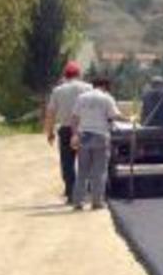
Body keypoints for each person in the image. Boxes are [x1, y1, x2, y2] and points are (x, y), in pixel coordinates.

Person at [70, 78, 129, 210]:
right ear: (105, 87)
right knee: (99, 171)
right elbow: (115, 116)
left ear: (93, 85)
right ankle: (96, 202)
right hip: (100, 137)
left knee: (82, 171)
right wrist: (130, 119)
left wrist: (74, 135)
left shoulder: (81, 97)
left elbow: (74, 118)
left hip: (84, 136)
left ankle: (78, 202)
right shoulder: (106, 98)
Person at [44, 61, 92, 204]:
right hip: (85, 128)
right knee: (85, 161)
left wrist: (50, 132)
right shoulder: (88, 88)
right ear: (79, 74)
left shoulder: (58, 91)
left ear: (65, 75)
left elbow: (51, 113)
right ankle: (85, 192)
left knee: (67, 162)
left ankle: (71, 192)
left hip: (65, 129)